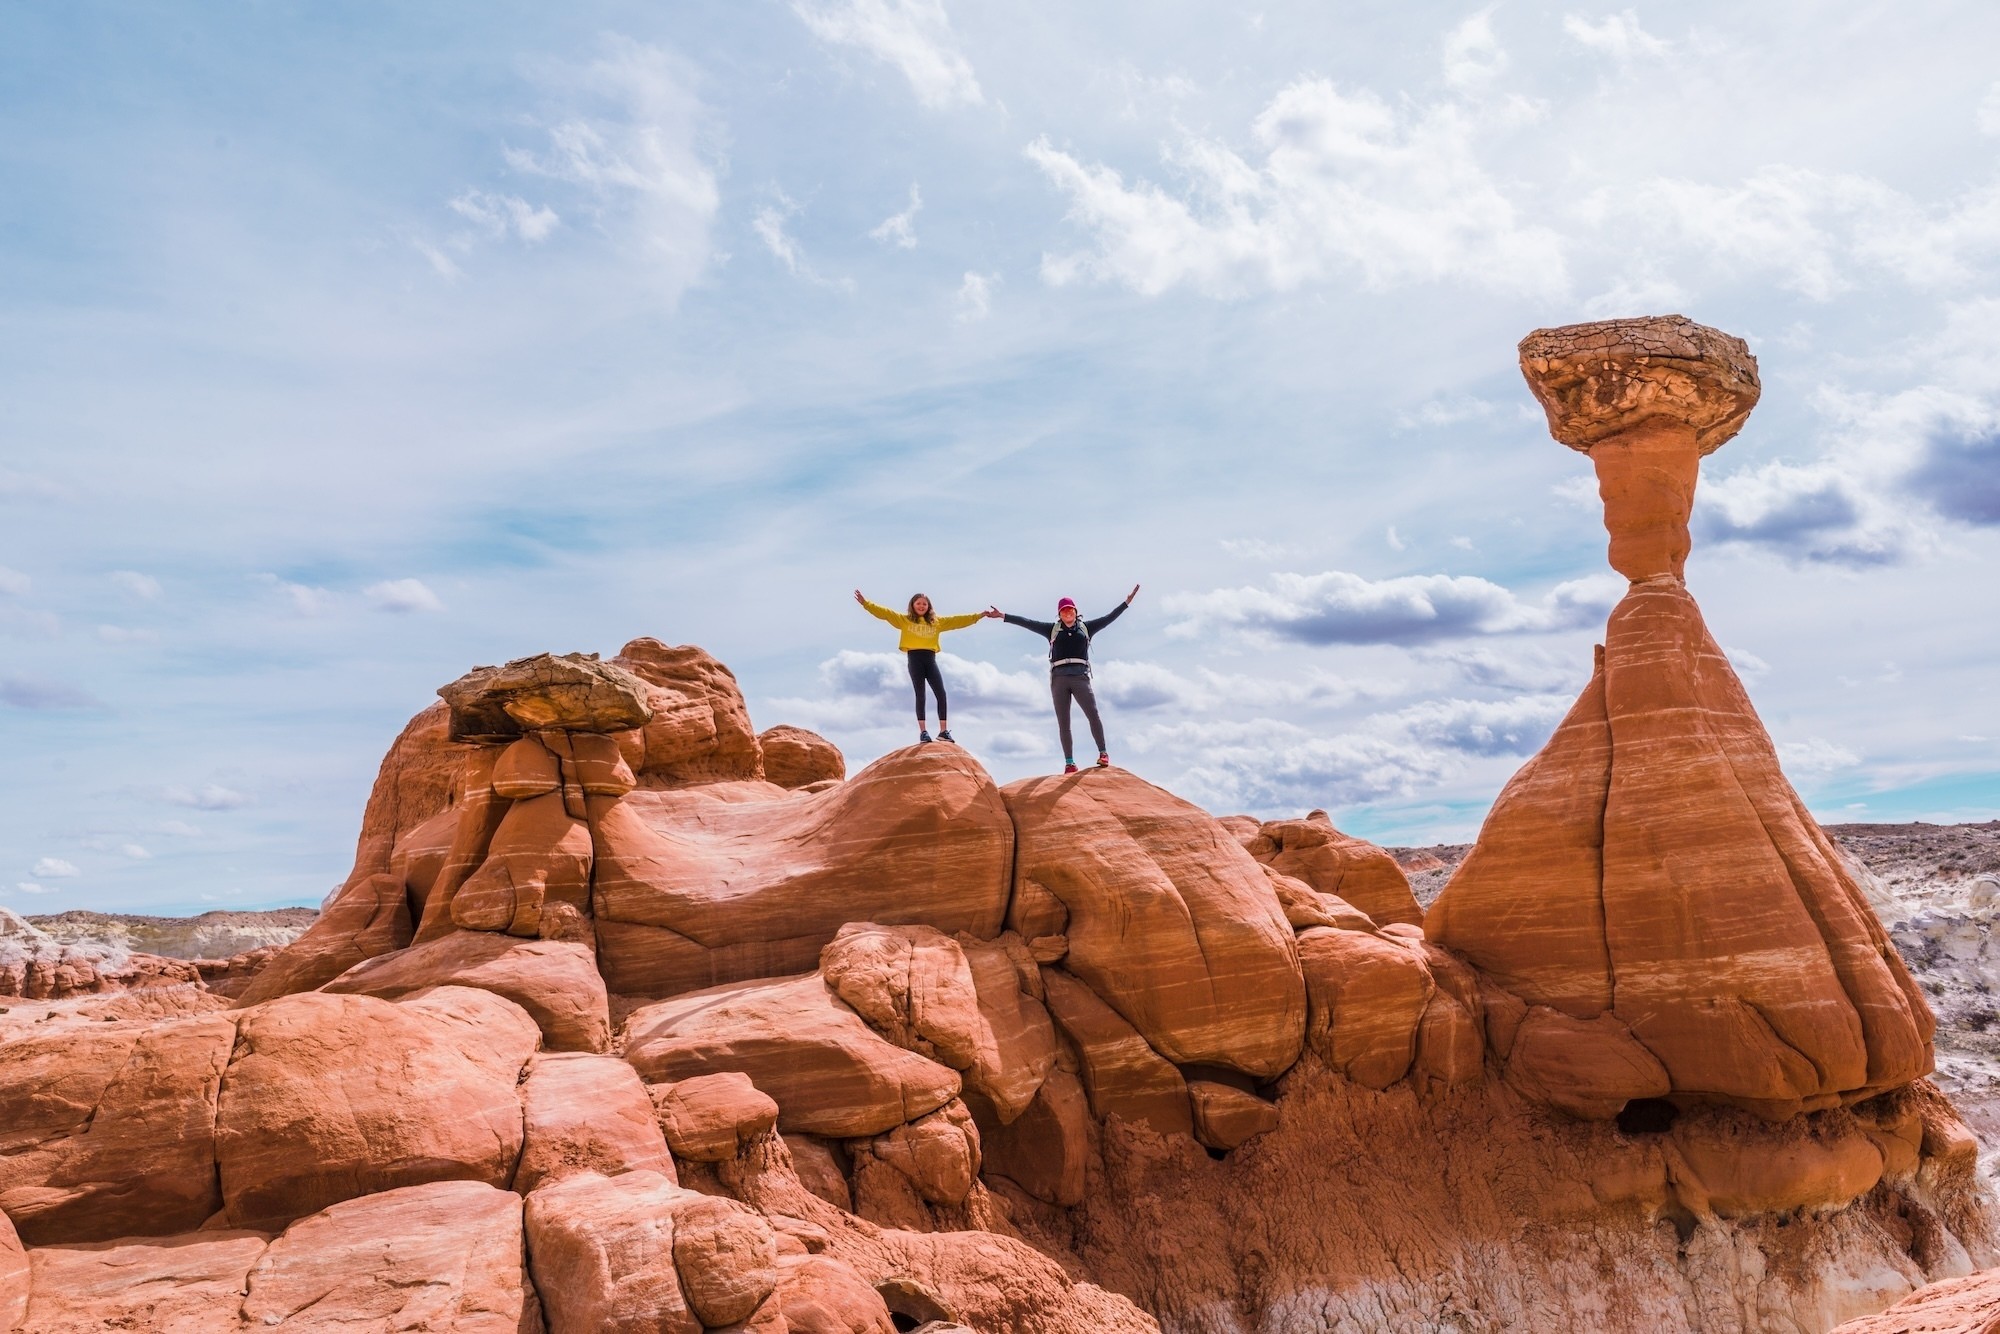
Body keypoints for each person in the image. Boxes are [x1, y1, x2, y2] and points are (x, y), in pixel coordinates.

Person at [989, 585, 1139, 773]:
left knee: (1093, 714)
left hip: (1080, 677)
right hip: (1059, 679)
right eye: (1064, 610)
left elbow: (1109, 618)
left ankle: (1103, 753)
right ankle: (1069, 763)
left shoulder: (1086, 628)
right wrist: (1003, 615)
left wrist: (1126, 603)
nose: (1067, 613)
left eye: (1070, 609)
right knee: (1064, 721)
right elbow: (1026, 622)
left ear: (1076, 612)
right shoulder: (1051, 630)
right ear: (1059, 615)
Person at [853, 590, 997, 745]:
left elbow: (958, 621)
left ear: (929, 606)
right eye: (918, 603)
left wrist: (979, 616)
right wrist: (866, 604)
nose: (921, 606)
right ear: (912, 605)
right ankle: (923, 732)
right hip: (914, 659)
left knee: (941, 693)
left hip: (930, 659)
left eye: (924, 604)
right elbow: (885, 613)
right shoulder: (904, 620)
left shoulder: (936, 622)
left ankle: (943, 731)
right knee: (920, 694)